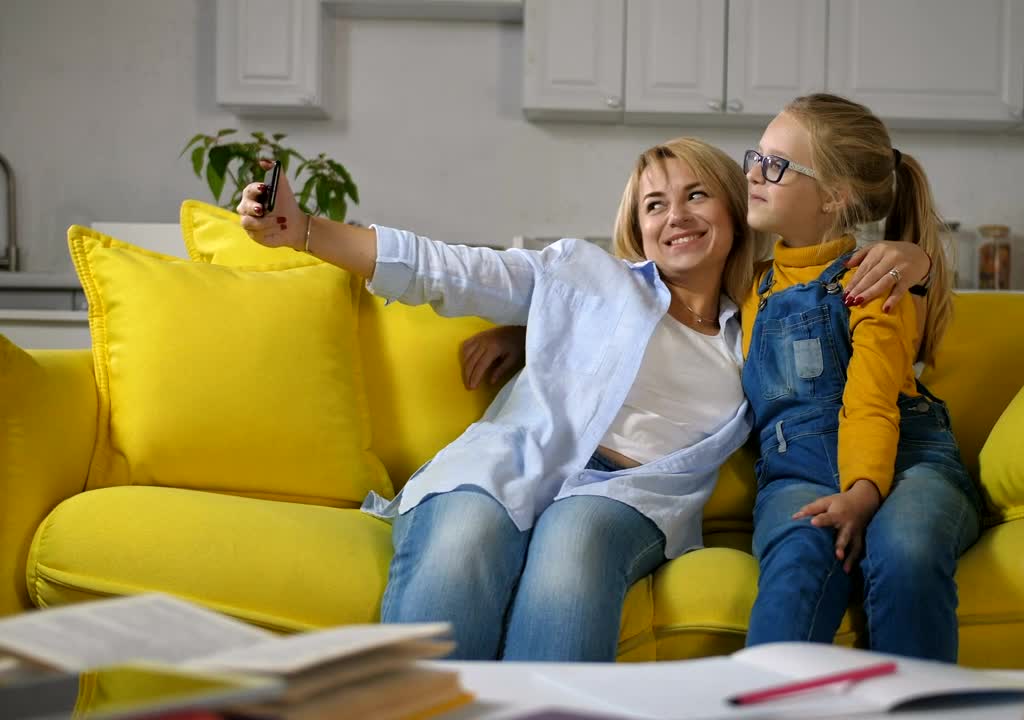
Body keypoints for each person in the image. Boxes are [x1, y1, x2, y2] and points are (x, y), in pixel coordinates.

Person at [236, 138, 758, 661]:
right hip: (514, 460)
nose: (677, 216)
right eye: (655, 205)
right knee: (466, 532)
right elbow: (451, 270)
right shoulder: (589, 278)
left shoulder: (760, 328)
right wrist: (304, 230)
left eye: (697, 195)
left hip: (630, 493)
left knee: (573, 540)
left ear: (734, 210)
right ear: (639, 230)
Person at [741, 93, 983, 662]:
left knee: (904, 549)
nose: (753, 172)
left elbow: (872, 400)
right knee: (799, 557)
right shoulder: (749, 285)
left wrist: (863, 494)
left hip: (905, 461)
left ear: (833, 197)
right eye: (754, 156)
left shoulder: (876, 282)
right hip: (795, 471)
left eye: (776, 165)